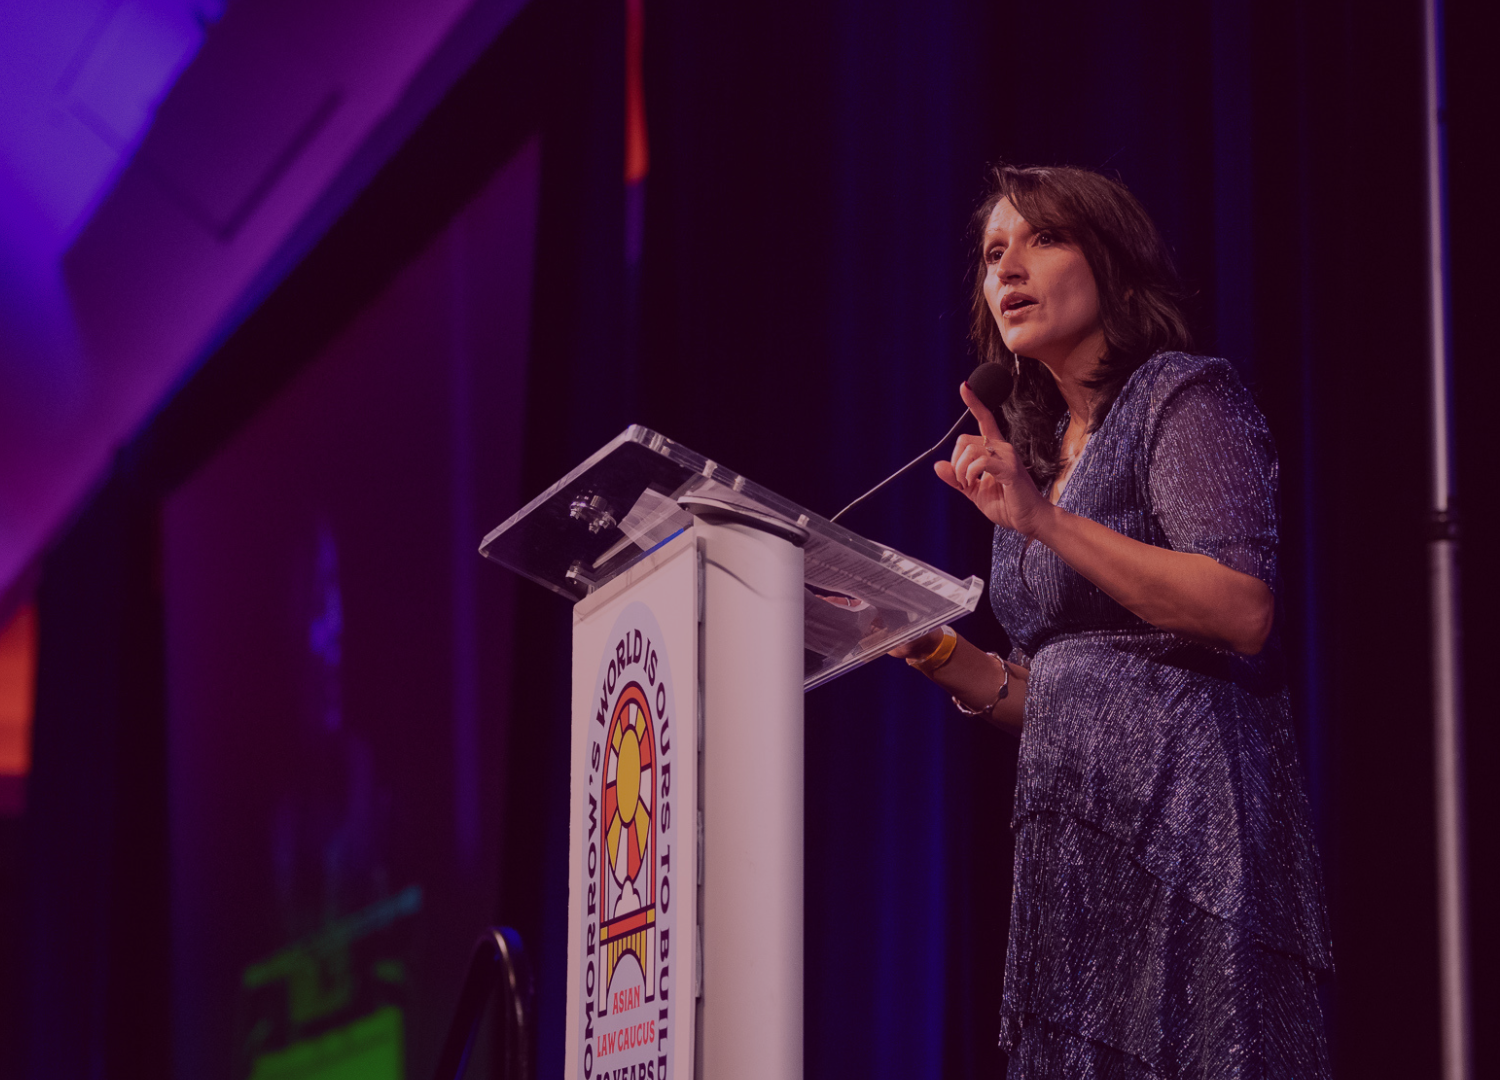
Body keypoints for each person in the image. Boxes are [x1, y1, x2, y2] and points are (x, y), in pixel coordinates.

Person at [892, 165, 1332, 1078]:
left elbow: (1242, 608)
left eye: (1041, 238)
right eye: (992, 252)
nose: (1008, 266)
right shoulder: (1040, 461)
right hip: (1074, 843)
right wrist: (925, 640)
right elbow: (1048, 690)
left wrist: (1044, 522)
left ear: (1114, 265)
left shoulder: (1183, 395)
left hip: (1193, 833)